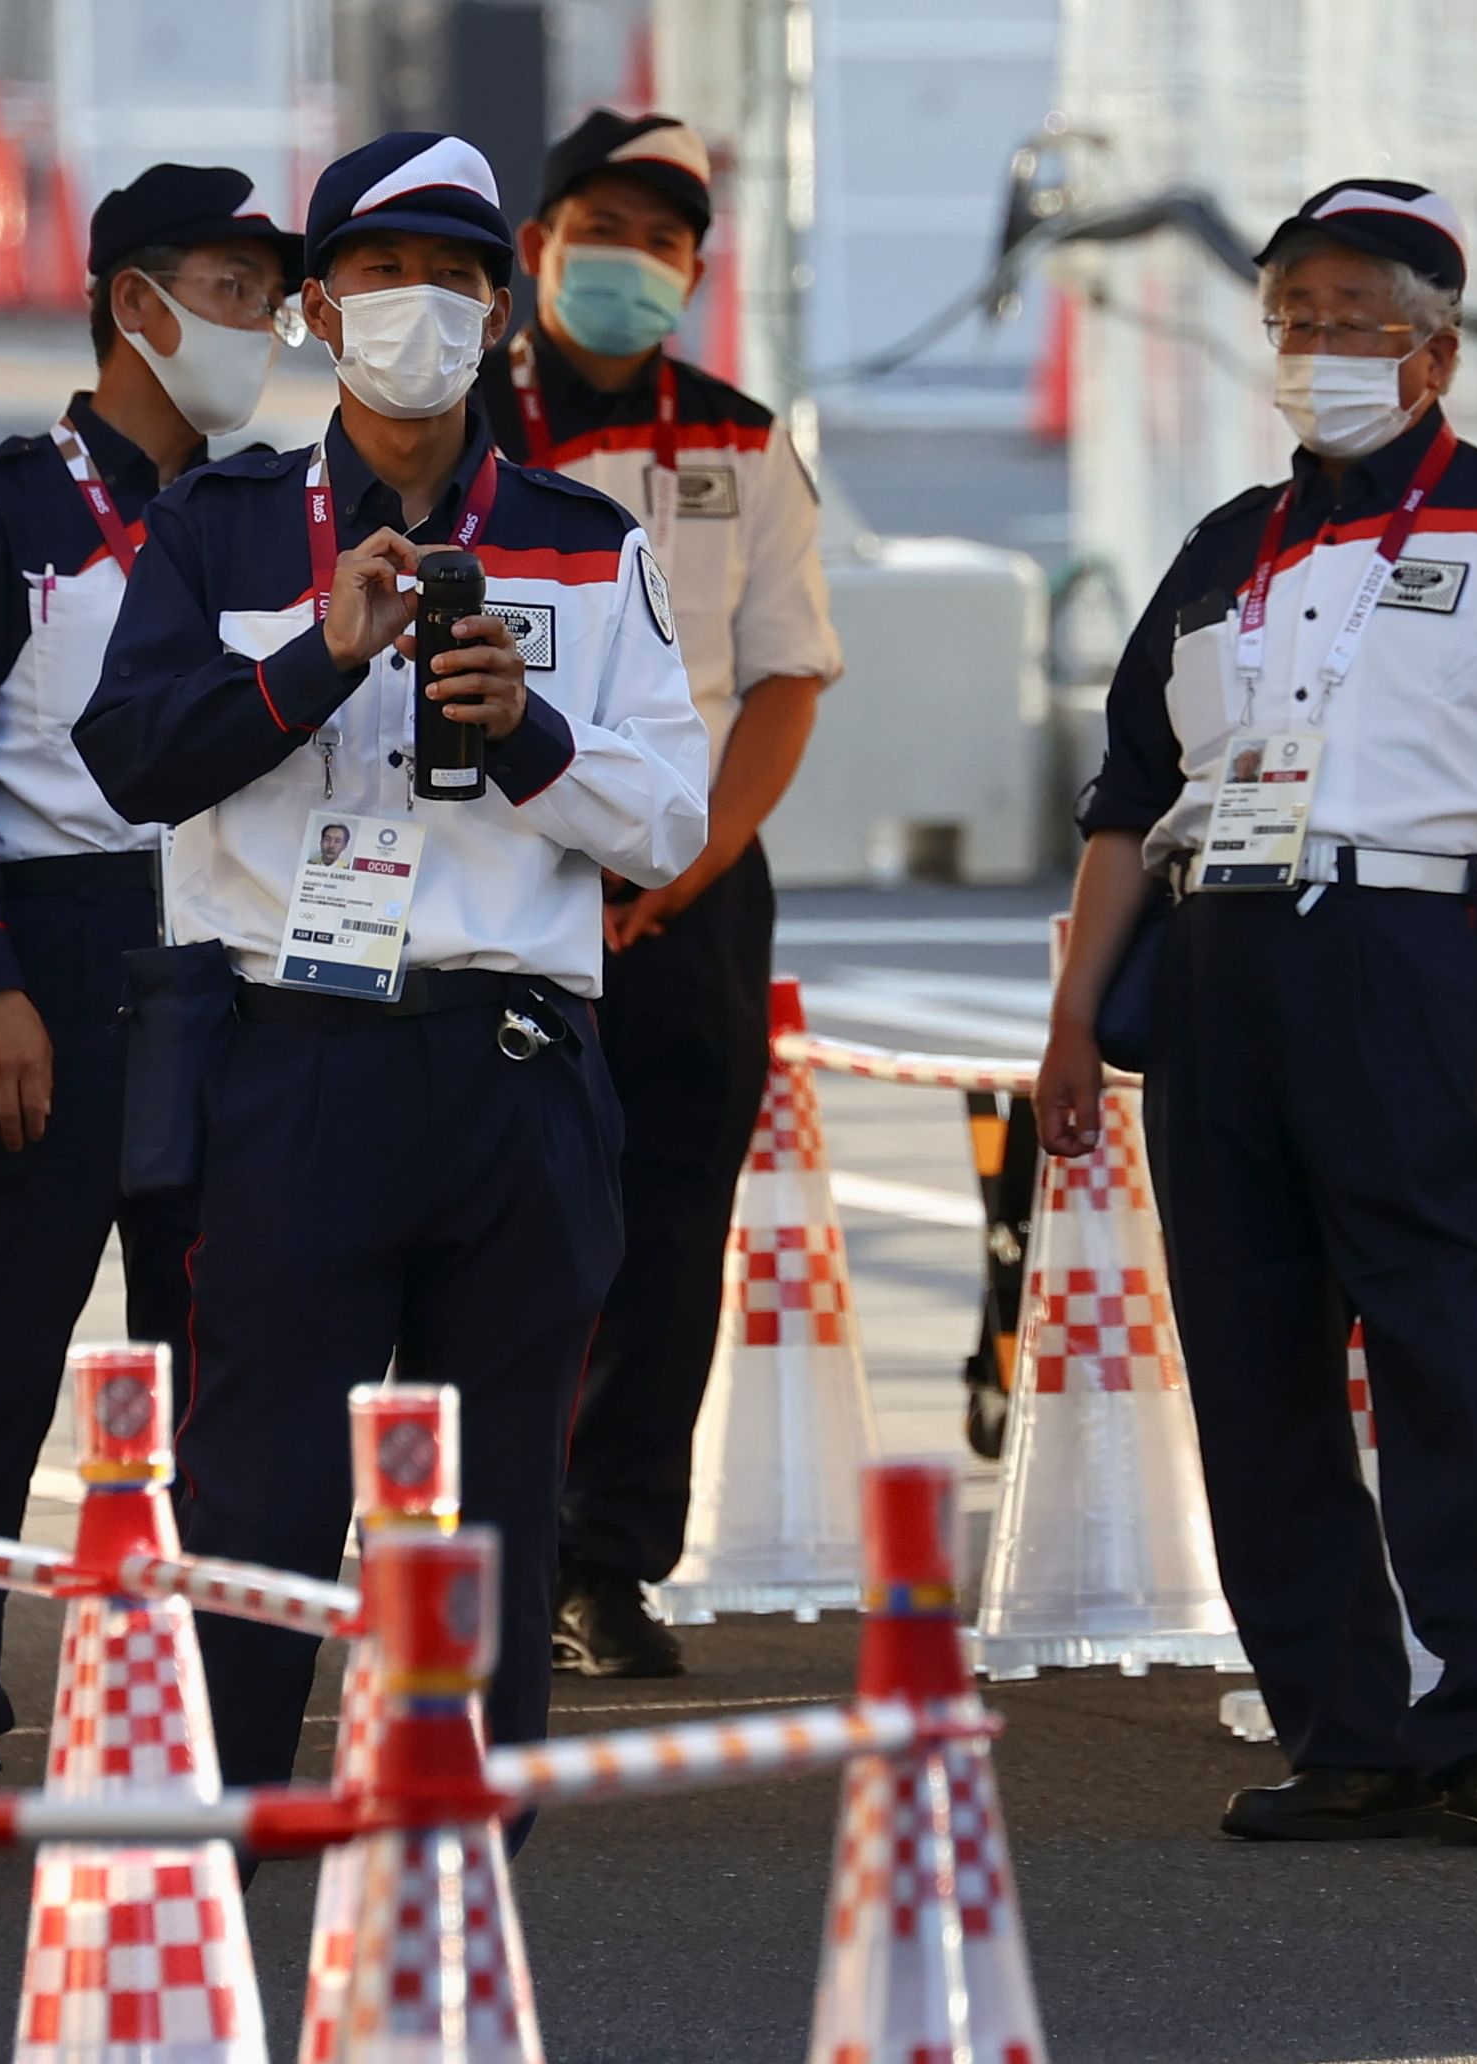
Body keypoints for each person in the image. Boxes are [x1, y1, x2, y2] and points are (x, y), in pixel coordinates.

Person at [77, 132, 710, 1792]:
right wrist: (314, 658)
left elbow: (669, 821)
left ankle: (450, 1866)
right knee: (261, 1488)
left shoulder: (584, 536)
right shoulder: (218, 526)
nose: (414, 305)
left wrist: (534, 734)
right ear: (317, 308)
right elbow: (132, 758)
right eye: (376, 272)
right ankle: (213, 1852)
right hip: (289, 1053)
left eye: (451, 275)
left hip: (511, 1064)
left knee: (493, 1500)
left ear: (501, 308)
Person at [1040, 180, 1477, 1850]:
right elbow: (1127, 802)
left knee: (1450, 1335)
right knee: (1252, 1355)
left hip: (1408, 949)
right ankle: (1344, 1722)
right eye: (1291, 319)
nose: (1313, 348)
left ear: (1435, 347)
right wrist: (1072, 1022)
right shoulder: (1218, 549)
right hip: (1218, 960)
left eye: (1350, 319)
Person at [0, 164, 302, 1823]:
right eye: (234, 289)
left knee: (228, 1362)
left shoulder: (273, 511)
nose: (259, 326)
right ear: (135, 303)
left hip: (232, 963)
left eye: (271, 294)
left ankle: (200, 1695)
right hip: (49, 957)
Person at [484, 110, 845, 1677]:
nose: (629, 262)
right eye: (601, 230)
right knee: (485, 1222)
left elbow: (781, 682)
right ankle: (462, 1542)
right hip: (496, 881)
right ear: (536, 247)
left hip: (686, 895)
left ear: (694, 267)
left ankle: (603, 1562)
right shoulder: (464, 431)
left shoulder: (742, 440)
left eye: (662, 240)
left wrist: (675, 870)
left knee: (665, 1230)